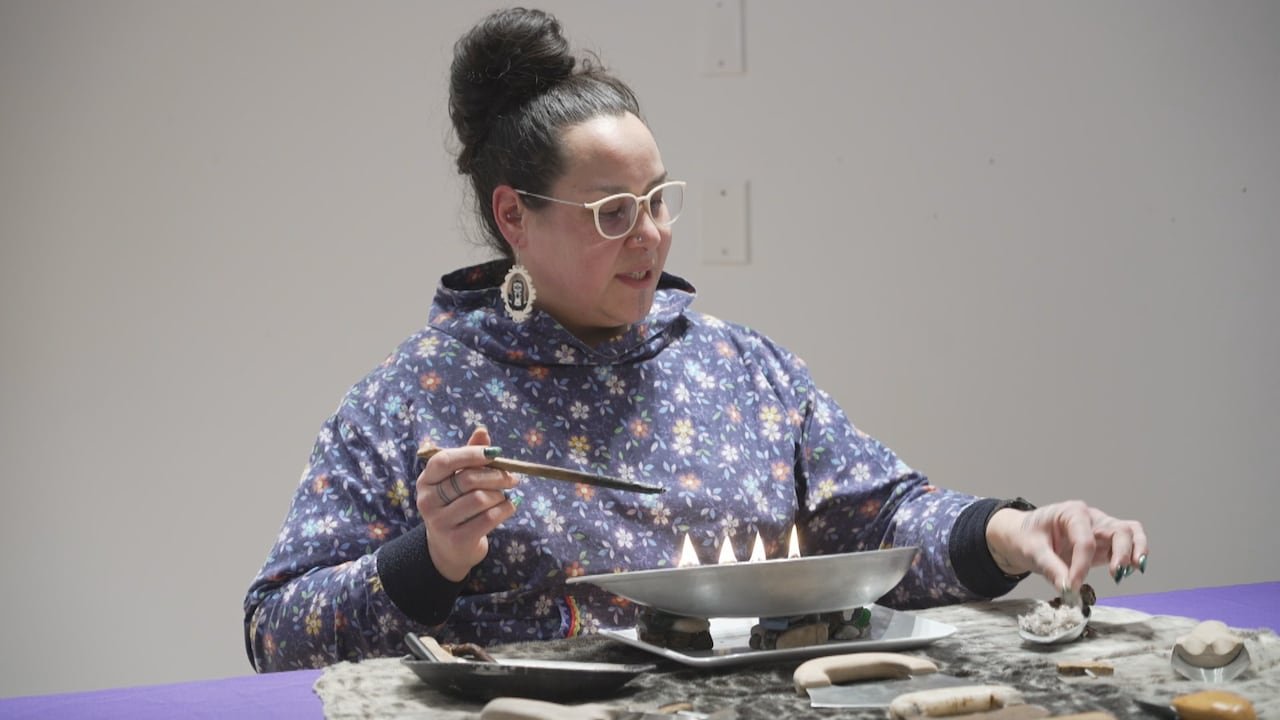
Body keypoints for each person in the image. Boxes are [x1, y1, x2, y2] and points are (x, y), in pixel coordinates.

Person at [243, 7, 1148, 672]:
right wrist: (431, 560)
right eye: (611, 212)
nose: (652, 234)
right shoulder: (415, 398)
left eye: (659, 199)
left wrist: (1012, 531)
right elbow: (275, 633)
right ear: (513, 217)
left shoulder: (738, 367)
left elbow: (878, 522)